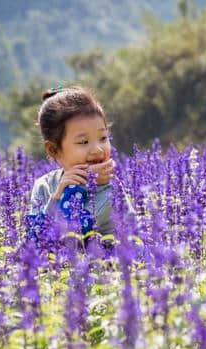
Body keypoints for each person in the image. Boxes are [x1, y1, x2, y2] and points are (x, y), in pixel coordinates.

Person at [25, 85, 134, 249]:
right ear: (54, 150)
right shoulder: (44, 186)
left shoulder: (110, 188)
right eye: (83, 142)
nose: (98, 149)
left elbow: (74, 237)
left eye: (103, 138)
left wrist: (78, 186)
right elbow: (33, 244)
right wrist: (58, 194)